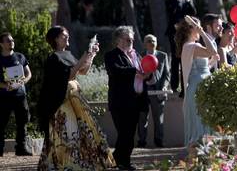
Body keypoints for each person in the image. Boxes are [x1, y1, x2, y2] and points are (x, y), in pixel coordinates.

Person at [37, 26, 115, 170]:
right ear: (55, 39)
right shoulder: (53, 58)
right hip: (61, 102)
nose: (67, 37)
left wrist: (91, 55)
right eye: (63, 36)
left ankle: (76, 163)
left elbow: (83, 71)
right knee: (68, 130)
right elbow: (70, 75)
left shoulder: (68, 54)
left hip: (74, 98)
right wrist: (84, 57)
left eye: (67, 35)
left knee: (79, 131)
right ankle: (64, 164)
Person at [105, 26, 149, 170]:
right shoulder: (112, 55)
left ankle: (123, 162)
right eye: (127, 38)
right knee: (124, 133)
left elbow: (145, 72)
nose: (131, 41)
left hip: (136, 102)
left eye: (132, 38)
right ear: (118, 39)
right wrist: (135, 71)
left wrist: (148, 73)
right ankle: (117, 160)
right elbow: (115, 71)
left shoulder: (137, 55)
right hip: (120, 102)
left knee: (130, 135)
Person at [176, 15, 219, 147]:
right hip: (198, 87)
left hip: (202, 84)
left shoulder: (191, 46)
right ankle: (200, 154)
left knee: (205, 120)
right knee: (201, 122)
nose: (200, 31)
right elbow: (212, 50)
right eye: (197, 28)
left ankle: (205, 153)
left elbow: (203, 67)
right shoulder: (191, 46)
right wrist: (203, 33)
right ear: (191, 29)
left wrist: (213, 61)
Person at [0, 32, 31, 157]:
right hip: (3, 97)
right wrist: (4, 86)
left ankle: (21, 149)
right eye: (8, 40)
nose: (11, 42)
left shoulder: (20, 57)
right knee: (0, 123)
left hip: (20, 96)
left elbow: (29, 74)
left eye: (12, 40)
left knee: (22, 122)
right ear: (1, 44)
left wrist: (24, 81)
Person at [137, 34, 169, 148]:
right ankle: (141, 142)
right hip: (143, 92)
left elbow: (167, 75)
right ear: (145, 44)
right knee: (142, 118)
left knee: (158, 118)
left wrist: (164, 86)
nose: (152, 43)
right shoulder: (139, 56)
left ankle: (159, 141)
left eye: (154, 41)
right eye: (149, 41)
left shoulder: (163, 56)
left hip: (158, 91)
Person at [165, 0, 196, 95]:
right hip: (174, 33)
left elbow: (193, 12)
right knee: (175, 59)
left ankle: (184, 87)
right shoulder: (171, 2)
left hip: (185, 33)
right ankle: (174, 86)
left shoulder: (187, 1)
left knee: (185, 58)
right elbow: (172, 13)